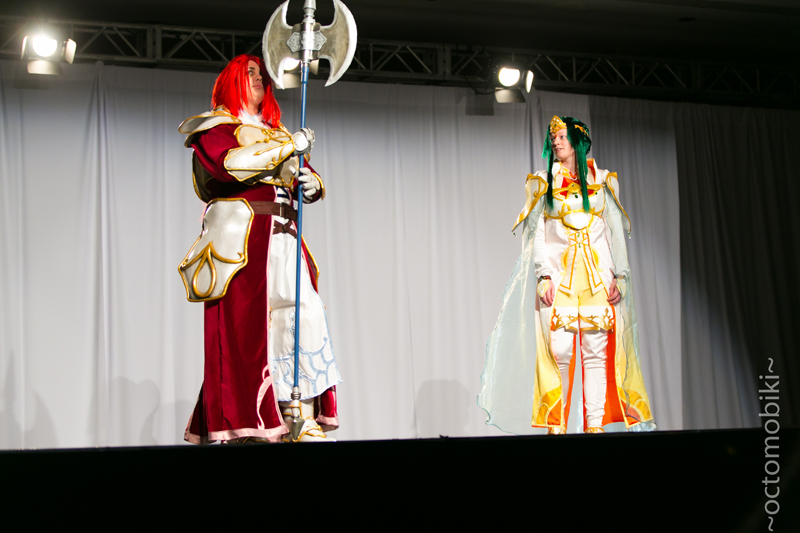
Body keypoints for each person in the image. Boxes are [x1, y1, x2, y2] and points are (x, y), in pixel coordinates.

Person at [178, 54, 341, 443]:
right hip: (244, 240)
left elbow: (299, 173)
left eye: (261, 74)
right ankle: (249, 422)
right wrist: (289, 148)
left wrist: (312, 183)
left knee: (303, 315)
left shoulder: (277, 132)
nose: (258, 79)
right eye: (248, 73)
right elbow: (231, 165)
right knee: (250, 333)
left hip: (285, 235)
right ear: (231, 80)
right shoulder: (215, 128)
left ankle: (297, 411)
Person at [478, 115, 655, 434]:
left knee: (596, 352)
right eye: (553, 137)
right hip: (559, 280)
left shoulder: (603, 181)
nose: (556, 141)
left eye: (562, 136)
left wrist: (622, 276)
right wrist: (543, 275)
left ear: (577, 140)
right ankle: (556, 426)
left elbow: (615, 232)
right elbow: (536, 232)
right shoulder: (543, 182)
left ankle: (594, 427)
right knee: (558, 350)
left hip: (598, 280)